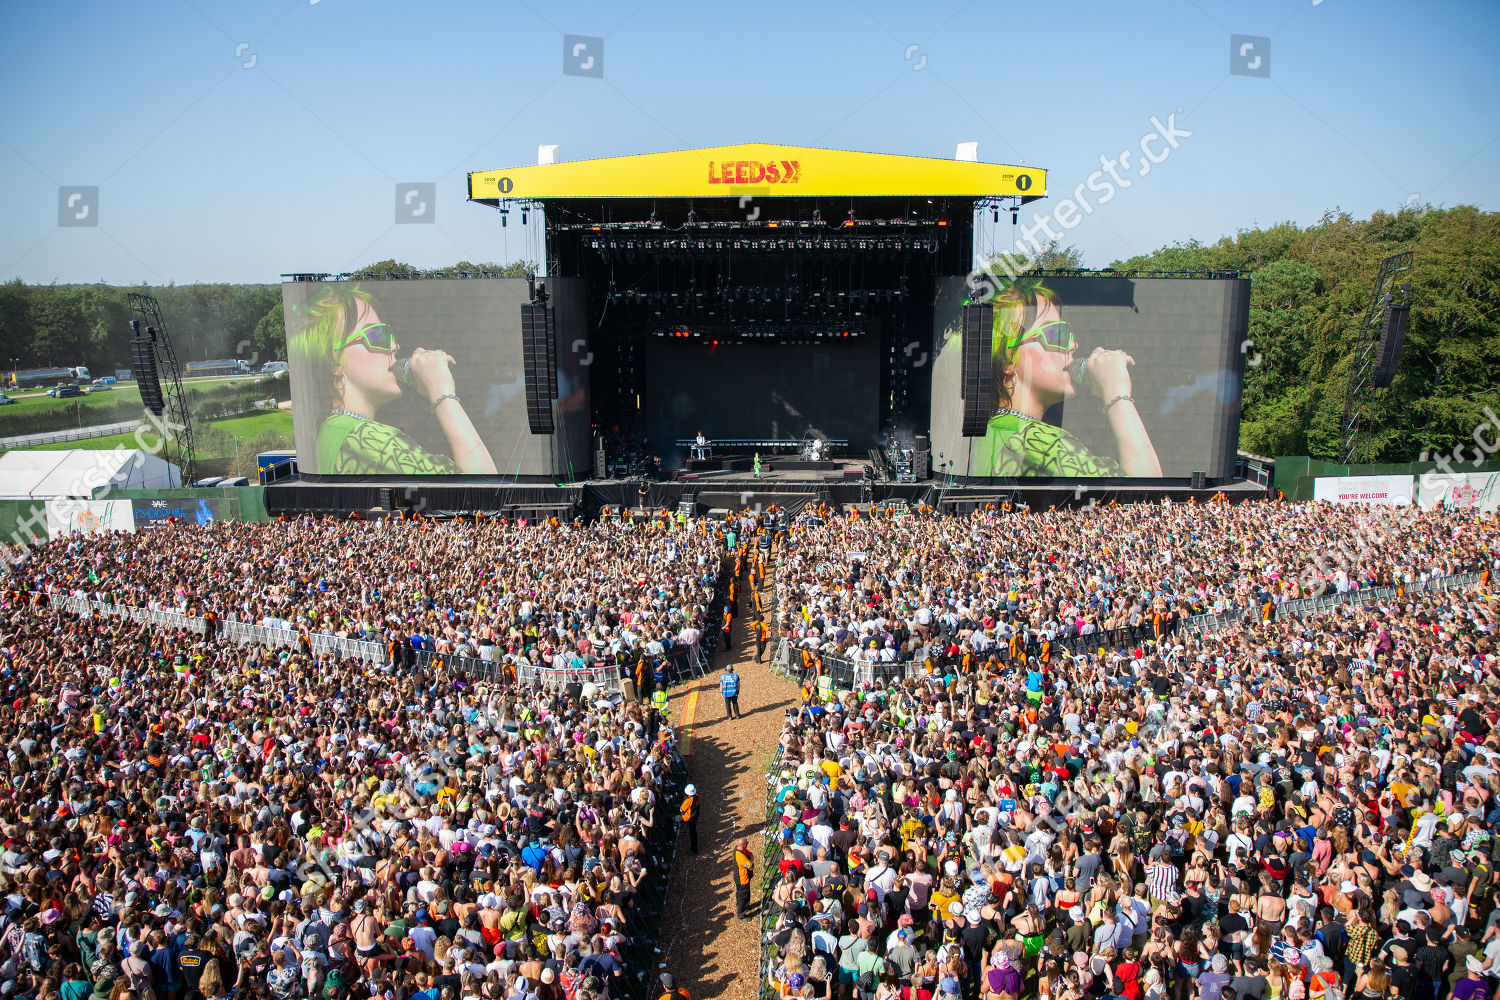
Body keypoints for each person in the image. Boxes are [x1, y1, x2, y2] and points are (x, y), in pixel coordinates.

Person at [288, 283, 498, 474]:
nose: (394, 346)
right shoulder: (363, 438)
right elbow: (484, 489)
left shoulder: (334, 431)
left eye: (389, 335)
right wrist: (443, 393)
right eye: (377, 335)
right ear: (334, 361)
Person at [966, 275, 1162, 477]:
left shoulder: (987, 434)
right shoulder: (1040, 443)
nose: (1072, 345)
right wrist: (1118, 395)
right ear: (1008, 359)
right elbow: (1147, 493)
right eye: (1056, 334)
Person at [735, 838, 755, 921]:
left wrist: (750, 860)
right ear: (744, 845)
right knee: (743, 895)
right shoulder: (741, 856)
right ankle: (741, 914)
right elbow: (750, 866)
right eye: (746, 843)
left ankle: (742, 906)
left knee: (741, 894)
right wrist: (751, 861)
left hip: (740, 878)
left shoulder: (738, 849)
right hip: (742, 879)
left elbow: (750, 854)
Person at [681, 783, 700, 855]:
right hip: (695, 816)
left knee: (672, 819)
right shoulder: (696, 796)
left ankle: (694, 849)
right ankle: (694, 848)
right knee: (693, 832)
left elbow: (682, 809)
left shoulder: (688, 800)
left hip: (688, 817)